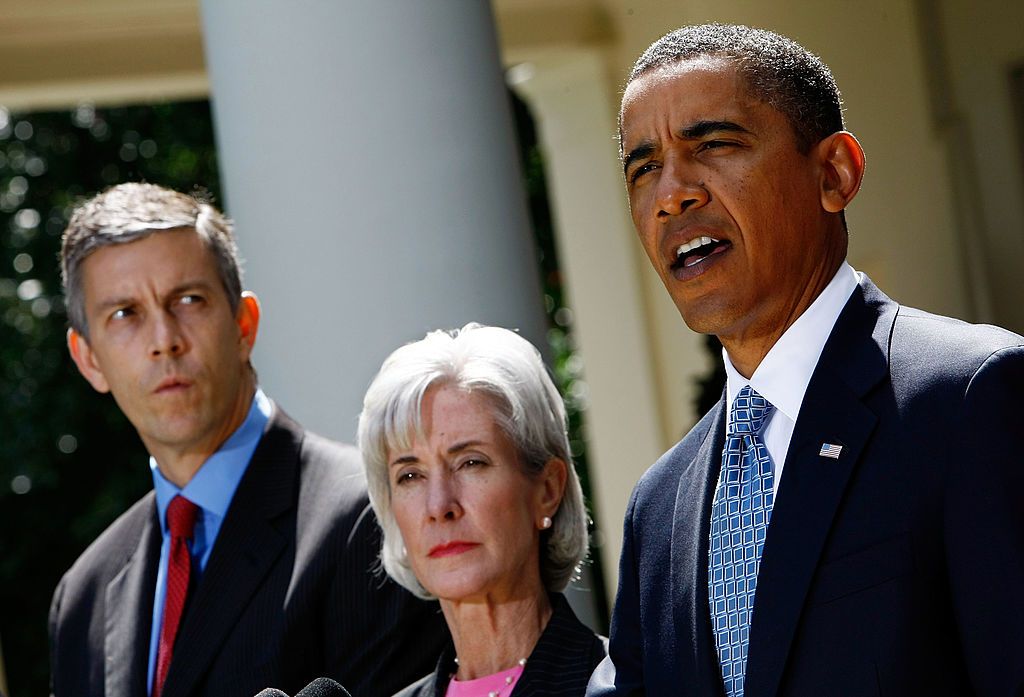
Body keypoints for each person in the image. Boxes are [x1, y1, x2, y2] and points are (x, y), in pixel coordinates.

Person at [588, 23, 1024, 697]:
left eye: (713, 144)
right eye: (644, 168)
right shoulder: (659, 506)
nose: (672, 193)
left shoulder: (970, 395)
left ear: (834, 173)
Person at [48, 183, 445, 697]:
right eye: (125, 314)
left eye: (187, 300)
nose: (163, 339)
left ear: (244, 323)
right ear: (89, 359)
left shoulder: (371, 520)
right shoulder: (84, 596)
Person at [357, 324, 607, 697]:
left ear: (547, 490)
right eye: (410, 475)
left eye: (471, 463)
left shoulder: (627, 684)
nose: (439, 506)